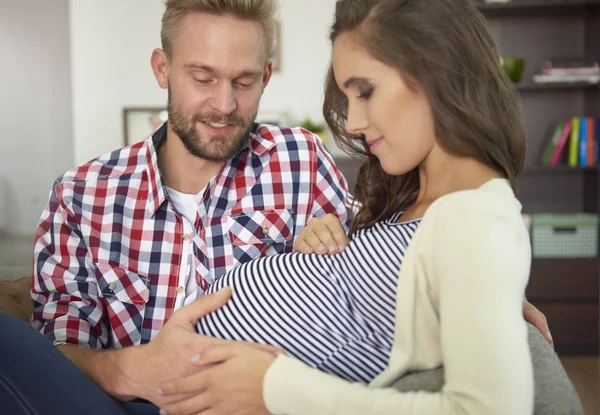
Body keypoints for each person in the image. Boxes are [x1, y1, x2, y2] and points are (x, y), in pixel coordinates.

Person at [0, 0, 557, 414]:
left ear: (266, 76)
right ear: (162, 69)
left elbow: (391, 254)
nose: (224, 104)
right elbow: (59, 346)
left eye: (244, 81)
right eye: (202, 78)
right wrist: (131, 369)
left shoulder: (299, 159)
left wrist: (483, 289)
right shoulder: (81, 194)